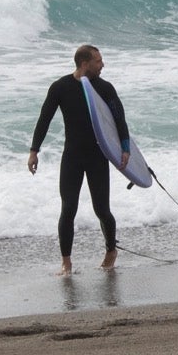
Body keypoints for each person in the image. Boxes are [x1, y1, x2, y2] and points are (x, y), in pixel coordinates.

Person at [29, 44, 128, 275]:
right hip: (72, 156)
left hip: (97, 156)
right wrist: (34, 151)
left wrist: (124, 148)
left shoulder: (105, 88)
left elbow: (119, 119)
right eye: (98, 61)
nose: (102, 65)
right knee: (68, 208)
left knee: (102, 209)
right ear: (85, 63)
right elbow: (44, 119)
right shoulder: (60, 88)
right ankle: (66, 261)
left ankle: (111, 250)